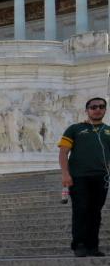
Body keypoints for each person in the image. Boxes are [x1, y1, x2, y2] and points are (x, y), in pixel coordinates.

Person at [59, 96, 110, 257]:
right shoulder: (74, 129)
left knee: (96, 212)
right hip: (79, 177)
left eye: (101, 106)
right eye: (93, 107)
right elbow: (63, 152)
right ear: (87, 110)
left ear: (105, 110)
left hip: (101, 177)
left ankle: (92, 246)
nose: (97, 109)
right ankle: (79, 245)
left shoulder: (108, 131)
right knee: (81, 210)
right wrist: (65, 173)